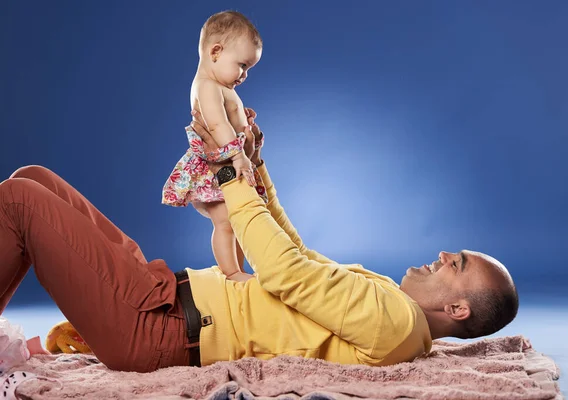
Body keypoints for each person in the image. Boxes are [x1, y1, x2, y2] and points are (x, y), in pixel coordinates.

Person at [0, 110, 519, 373]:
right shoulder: (389, 305)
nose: (447, 254)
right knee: (35, 178)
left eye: (459, 264)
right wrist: (255, 168)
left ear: (456, 308)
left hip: (153, 328)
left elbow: (283, 272)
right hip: (160, 298)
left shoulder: (395, 323)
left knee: (20, 199)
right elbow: (299, 256)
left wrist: (230, 175)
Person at [161, 10, 266, 282]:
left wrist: (245, 124)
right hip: (215, 168)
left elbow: (229, 121)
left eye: (248, 69)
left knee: (238, 222)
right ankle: (231, 272)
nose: (244, 75)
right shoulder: (207, 85)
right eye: (242, 65)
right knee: (225, 223)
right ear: (215, 52)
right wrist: (239, 154)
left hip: (229, 164)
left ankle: (241, 271)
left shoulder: (220, 85)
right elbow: (217, 125)